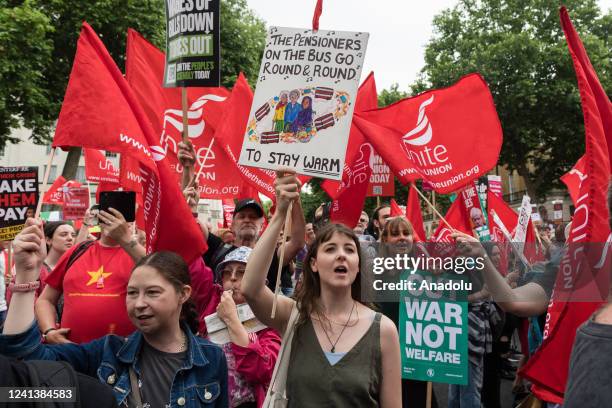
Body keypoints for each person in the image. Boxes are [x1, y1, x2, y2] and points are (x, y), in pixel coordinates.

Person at [1, 219, 228, 407]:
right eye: (131, 293)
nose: (139, 303)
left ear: (183, 294)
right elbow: (26, 362)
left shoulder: (211, 358)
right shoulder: (107, 353)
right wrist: (26, 274)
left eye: (152, 292)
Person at [241, 168, 402, 407]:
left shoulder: (384, 330)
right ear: (314, 264)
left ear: (358, 266)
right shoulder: (294, 317)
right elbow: (251, 289)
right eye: (330, 249)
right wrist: (280, 213)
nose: (341, 256)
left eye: (349, 250)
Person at [35, 208, 146, 344]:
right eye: (107, 214)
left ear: (130, 222)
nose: (113, 220)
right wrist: (49, 331)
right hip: (72, 353)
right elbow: (45, 300)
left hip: (125, 354)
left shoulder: (139, 256)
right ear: (99, 219)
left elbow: (161, 275)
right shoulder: (76, 252)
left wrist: (126, 239)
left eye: (120, 216)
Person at [188, 246, 281, 407]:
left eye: (242, 272)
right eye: (227, 272)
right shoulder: (211, 301)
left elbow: (261, 370)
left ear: (260, 283)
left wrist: (231, 319)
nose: (232, 278)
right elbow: (191, 263)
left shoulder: (270, 320)